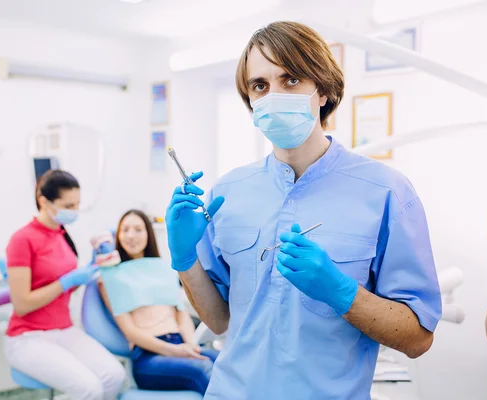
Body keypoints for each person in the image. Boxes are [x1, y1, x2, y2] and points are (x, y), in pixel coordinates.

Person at [165, 21, 442, 399]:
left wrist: (342, 292)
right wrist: (184, 259)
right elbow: (218, 320)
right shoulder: (227, 191)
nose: (273, 94)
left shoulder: (386, 192)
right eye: (259, 85)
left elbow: (418, 339)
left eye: (291, 79)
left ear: (323, 90)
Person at [4, 170, 125, 400]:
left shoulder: (62, 235)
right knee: (89, 389)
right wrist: (65, 282)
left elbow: (68, 288)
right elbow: (21, 305)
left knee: (114, 376)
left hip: (63, 330)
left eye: (77, 205)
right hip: (28, 337)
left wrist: (90, 268)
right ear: (44, 201)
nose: (74, 211)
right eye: (68, 206)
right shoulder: (22, 239)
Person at [97, 209, 219, 395]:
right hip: (148, 357)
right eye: (125, 229)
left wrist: (190, 345)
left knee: (224, 362)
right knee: (201, 370)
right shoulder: (110, 277)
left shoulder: (163, 269)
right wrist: (174, 351)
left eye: (138, 229)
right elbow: (130, 332)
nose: (131, 235)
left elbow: (181, 314)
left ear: (149, 233)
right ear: (118, 235)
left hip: (181, 343)